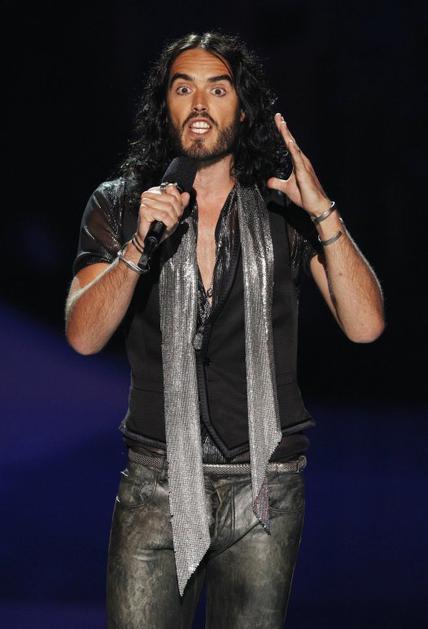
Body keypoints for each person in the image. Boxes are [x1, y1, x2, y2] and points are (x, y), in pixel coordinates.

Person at [65, 32, 385, 629]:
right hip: (156, 483)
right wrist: (138, 246)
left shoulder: (284, 208)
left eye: (219, 89)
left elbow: (366, 326)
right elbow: (83, 336)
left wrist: (322, 211)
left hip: (265, 486)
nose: (200, 104)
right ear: (164, 106)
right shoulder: (120, 204)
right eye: (183, 88)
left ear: (243, 107)